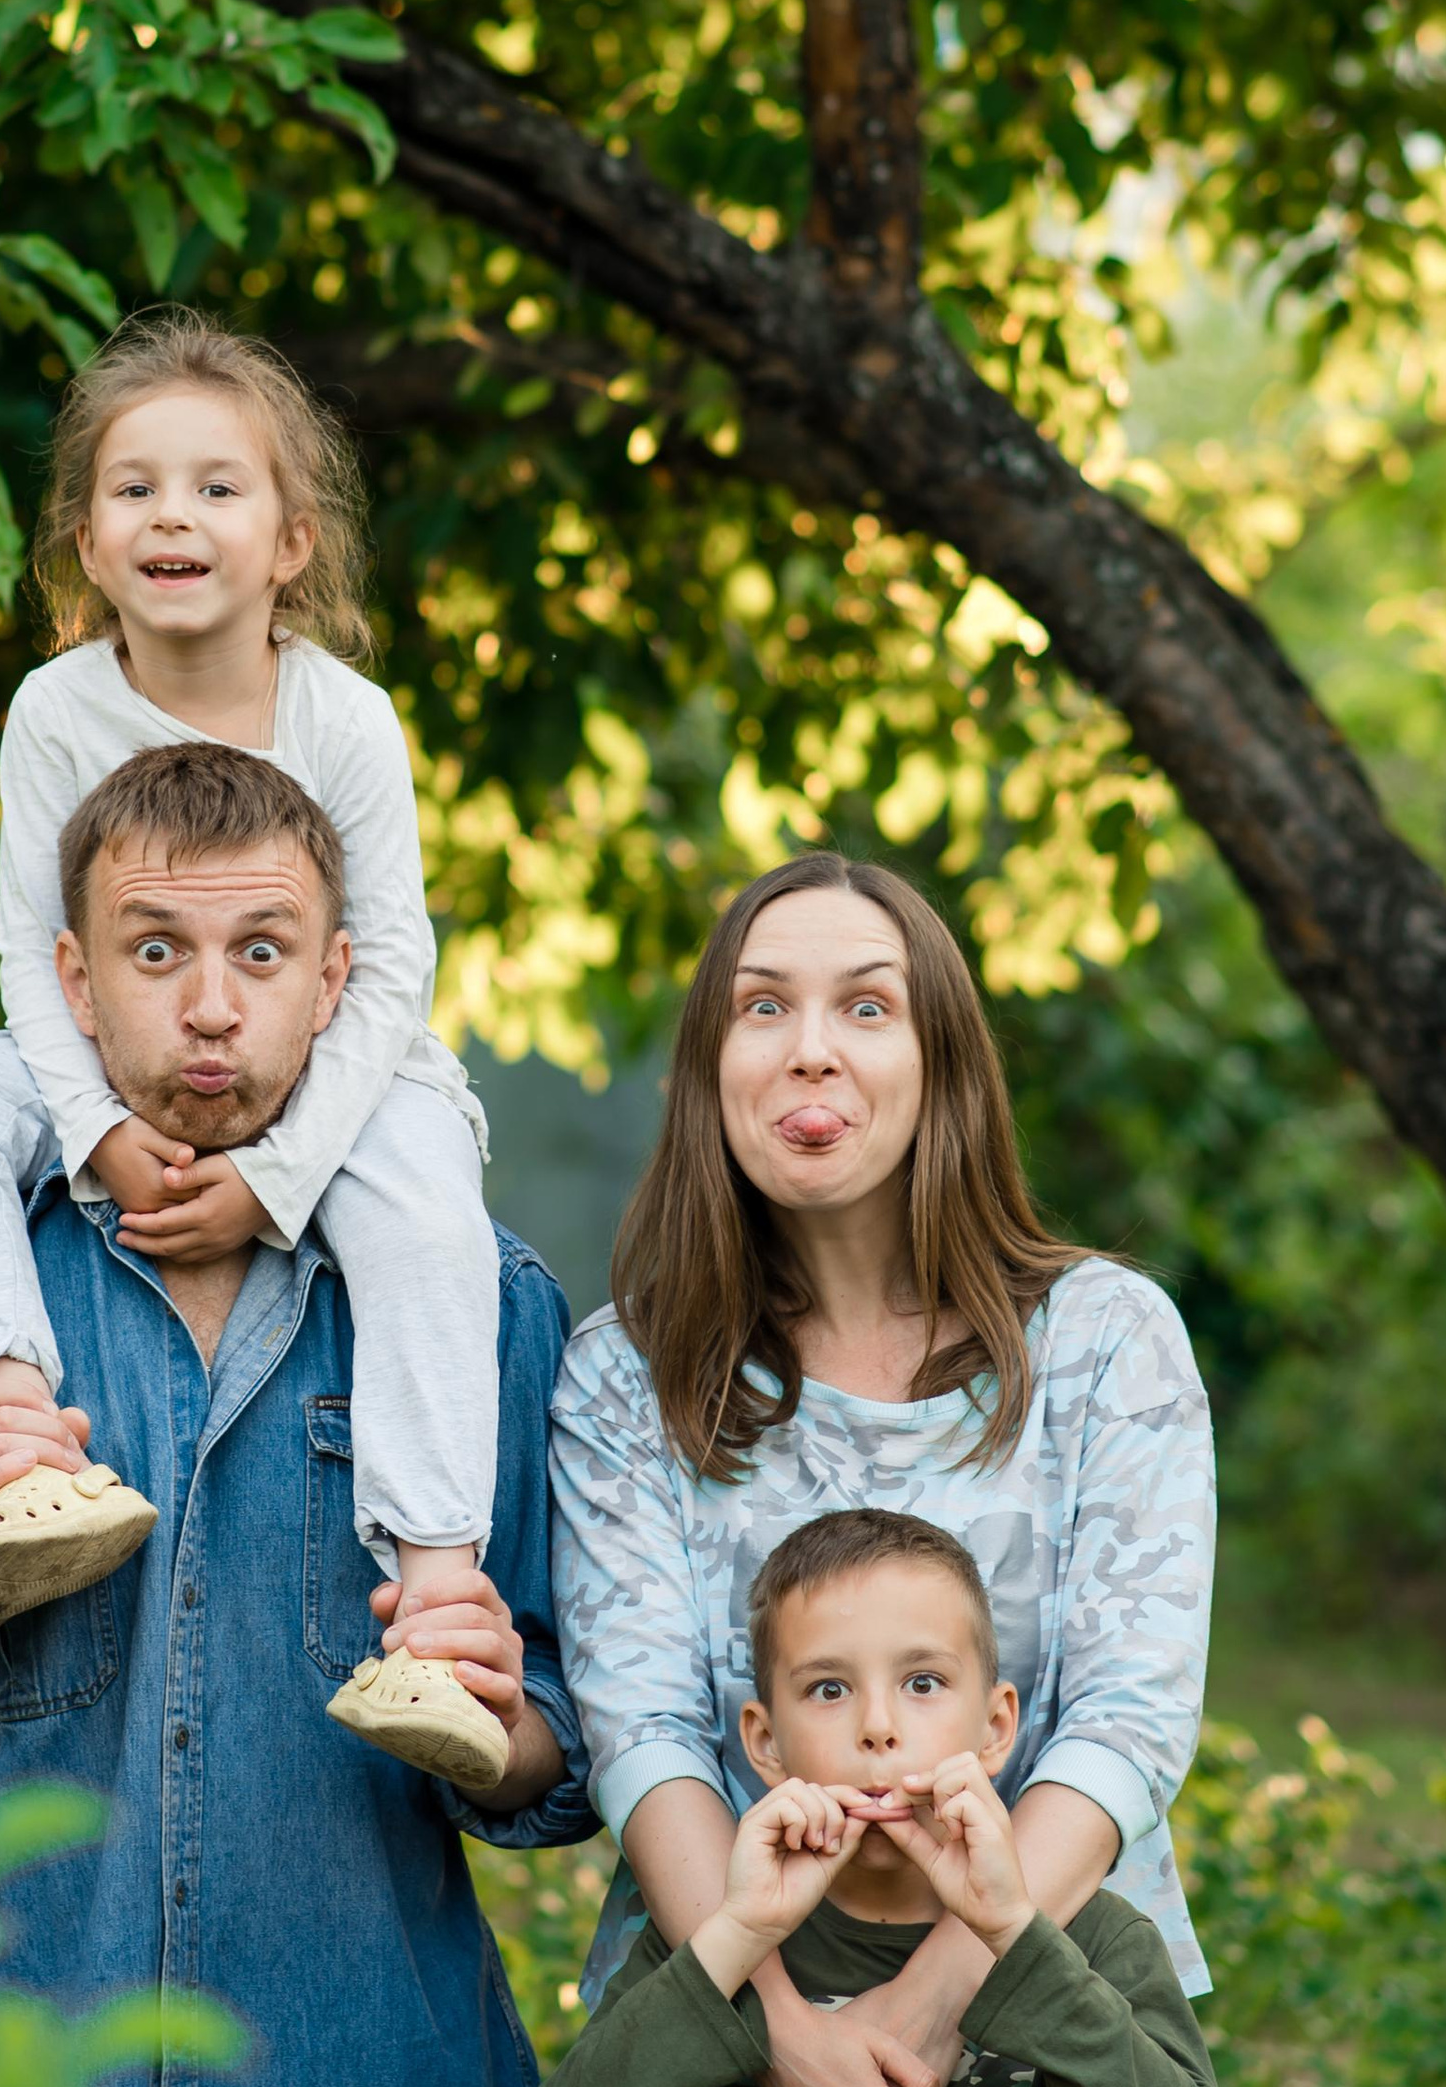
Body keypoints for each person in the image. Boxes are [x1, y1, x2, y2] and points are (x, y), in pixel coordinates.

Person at [0, 743, 594, 2084]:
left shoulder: (480, 1302)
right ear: (72, 982)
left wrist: (497, 1710)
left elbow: (567, 1753)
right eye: (156, 952)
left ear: (336, 981)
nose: (211, 1009)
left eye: (262, 953)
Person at [0, 310, 508, 1782]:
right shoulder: (53, 711)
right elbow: (31, 955)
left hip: (338, 1073)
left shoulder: (345, 719)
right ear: (87, 544)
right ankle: (19, 1437)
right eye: (136, 488)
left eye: (218, 487)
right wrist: (96, 1132)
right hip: (96, 1057)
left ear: (291, 541)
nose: (175, 515)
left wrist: (280, 1178)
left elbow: (388, 968)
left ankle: (433, 1600)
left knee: (428, 1214)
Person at [551, 854, 1215, 2087]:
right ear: (709, 1067)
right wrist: (780, 2027)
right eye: (762, 1006)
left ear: (939, 1061)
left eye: (865, 1006)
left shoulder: (1105, 1341)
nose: (810, 1051)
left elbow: (1128, 1718)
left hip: (1052, 2011)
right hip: (722, 2014)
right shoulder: (625, 1374)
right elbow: (644, 1735)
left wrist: (932, 2005)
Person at [550, 1510, 1213, 2087]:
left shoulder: (1093, 1938)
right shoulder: (714, 1941)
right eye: (829, 1689)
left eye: (922, 1683)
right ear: (765, 1742)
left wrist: (1014, 1933)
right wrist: (738, 1937)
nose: (877, 1726)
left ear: (994, 1728)